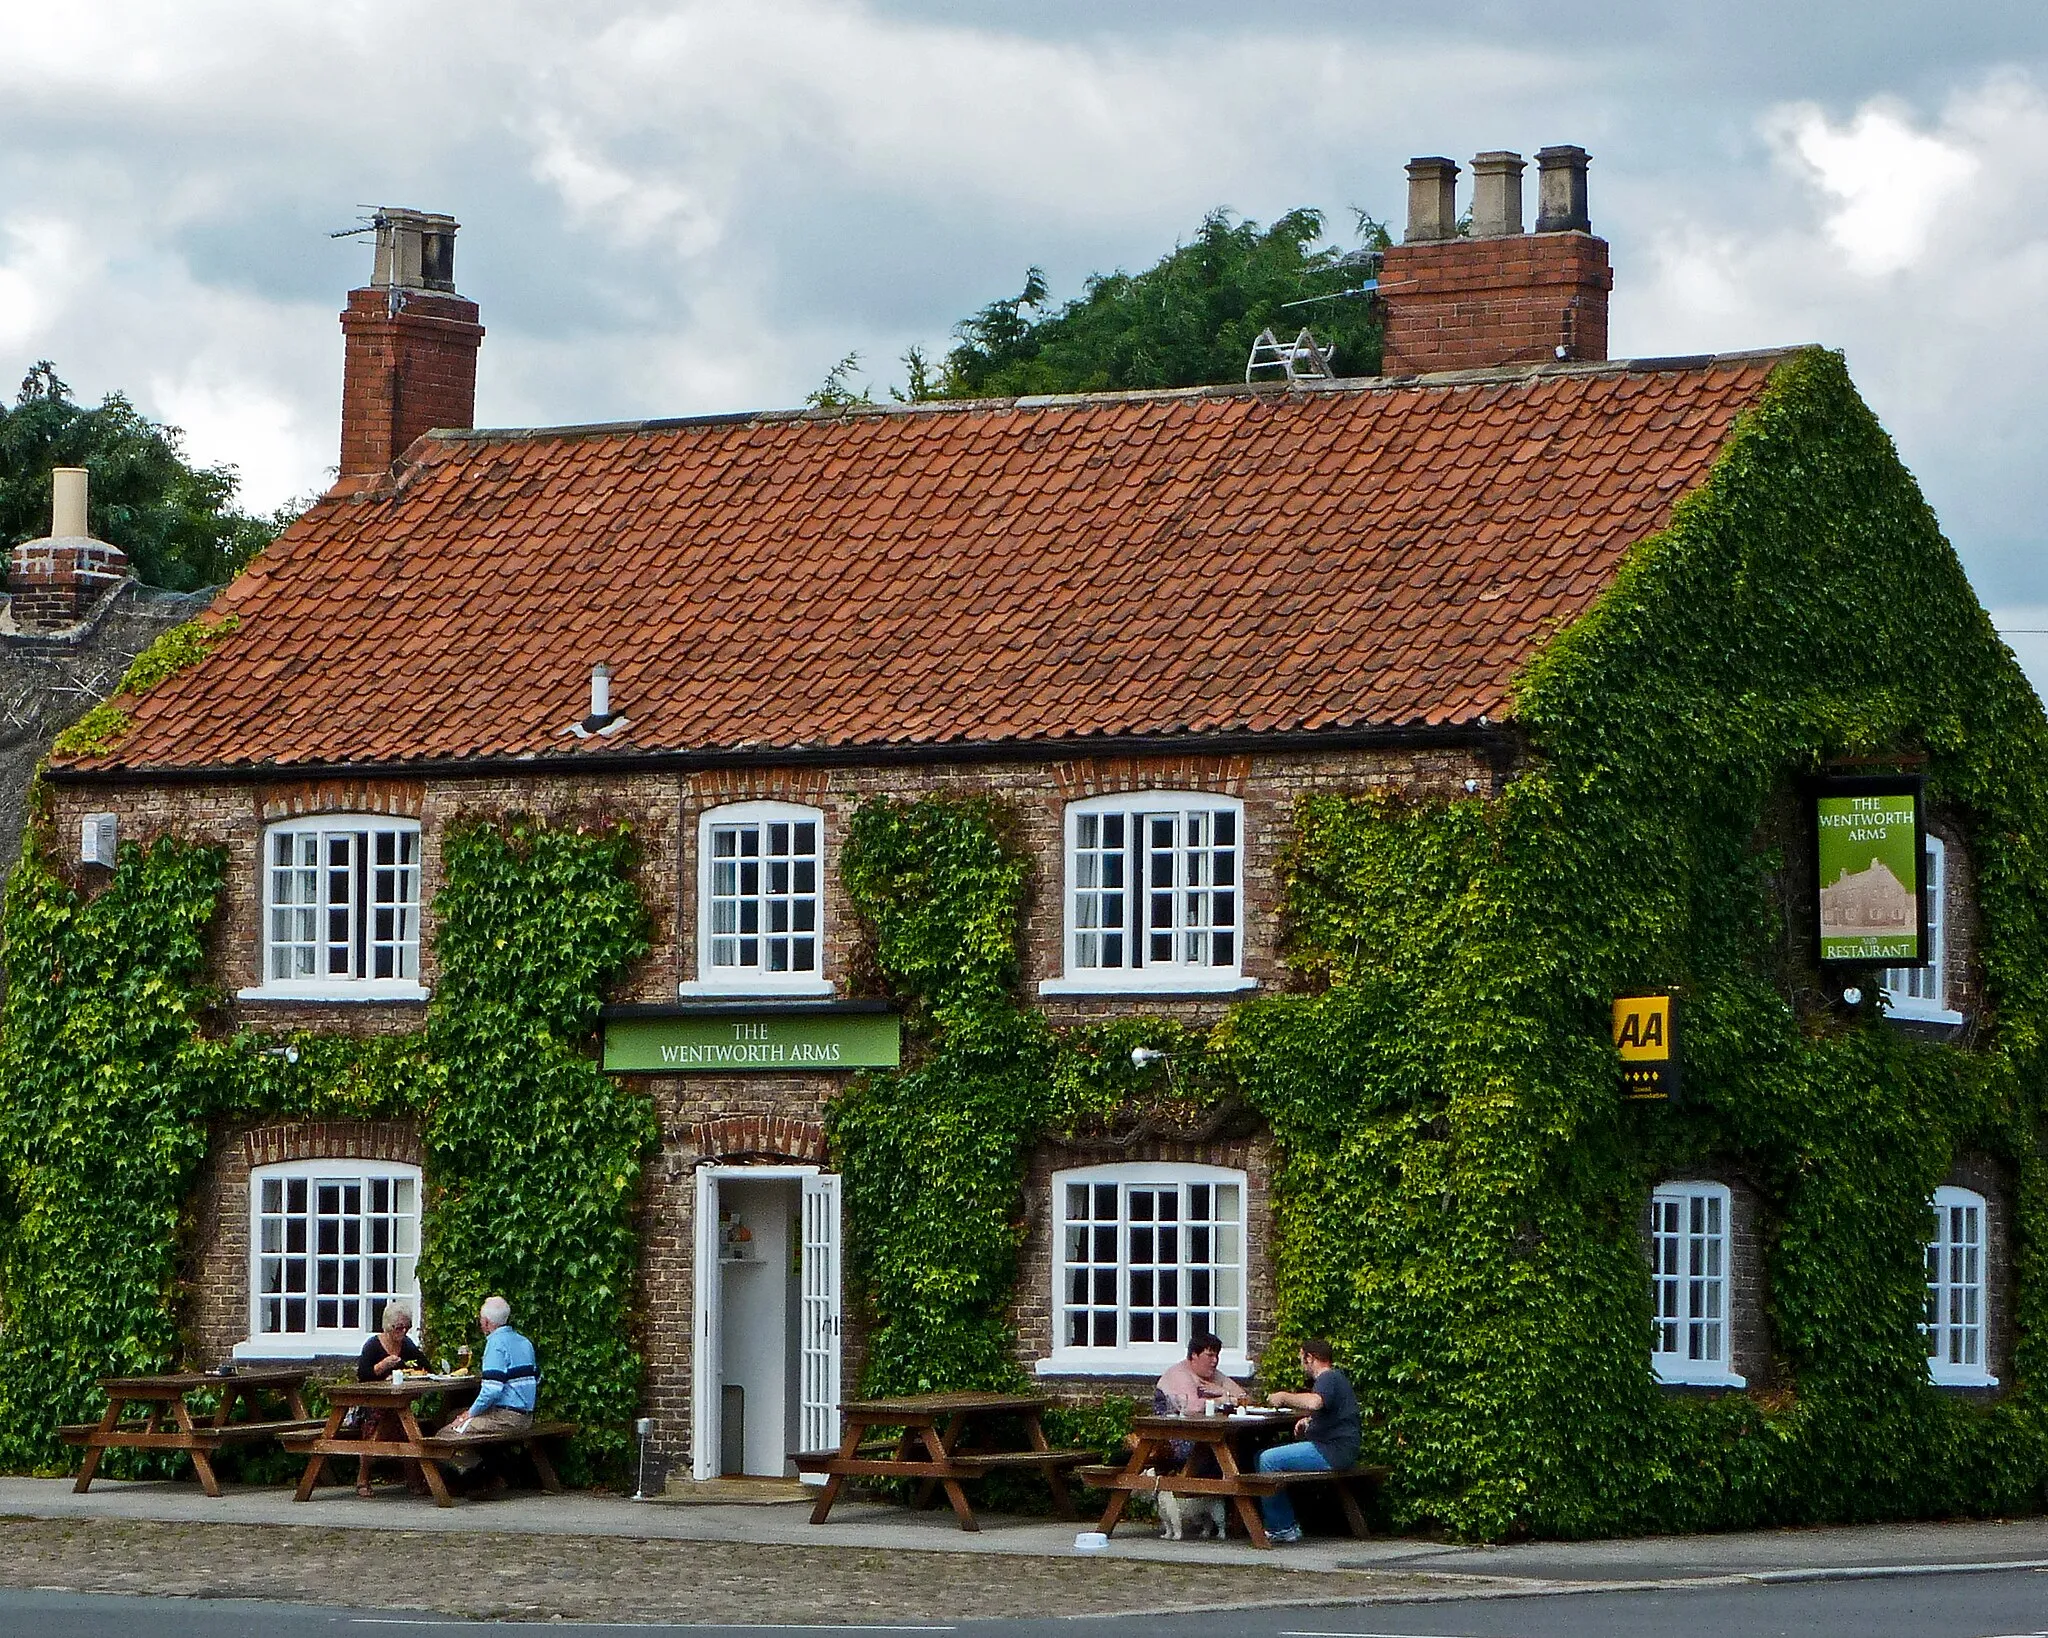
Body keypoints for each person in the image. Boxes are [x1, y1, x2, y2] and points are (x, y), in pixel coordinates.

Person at [1254, 1338, 1360, 1544]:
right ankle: (1282, 1523)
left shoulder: (1327, 1378)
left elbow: (1316, 1402)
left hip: (1333, 1451)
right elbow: (1335, 1412)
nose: (1301, 1364)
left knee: (1268, 1459)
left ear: (1310, 1358)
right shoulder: (1337, 1378)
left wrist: (1284, 1396)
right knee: (1260, 1457)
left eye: (1302, 1358)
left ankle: (1282, 1527)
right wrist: (1309, 1420)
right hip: (1339, 1449)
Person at [1152, 1330, 1248, 1538]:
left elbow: (1242, 1396)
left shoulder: (1211, 1376)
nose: (1214, 1361)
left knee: (1245, 1447)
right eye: (1209, 1356)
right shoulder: (1180, 1374)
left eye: (1217, 1356)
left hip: (1204, 1436)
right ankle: (1240, 1518)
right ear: (1194, 1355)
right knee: (1222, 1453)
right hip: (1175, 1439)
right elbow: (1191, 1407)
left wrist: (1221, 1391)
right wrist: (1222, 1398)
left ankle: (1242, 1520)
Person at [439, 1295, 539, 1481]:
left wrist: (471, 1413)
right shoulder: (524, 1342)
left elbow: (492, 1390)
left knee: (444, 1435)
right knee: (453, 1416)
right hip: (526, 1415)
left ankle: (485, 1475)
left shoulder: (495, 1344)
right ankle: (483, 1472)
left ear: (486, 1322)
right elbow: (536, 1377)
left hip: (507, 1417)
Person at [352, 1302, 426, 1498]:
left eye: (406, 1327)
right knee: (383, 1421)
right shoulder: (373, 1345)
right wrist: (382, 1366)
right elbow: (363, 1376)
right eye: (398, 1328)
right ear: (387, 1326)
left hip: (399, 1402)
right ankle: (363, 1478)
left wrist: (411, 1372)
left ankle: (414, 1478)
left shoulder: (407, 1345)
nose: (402, 1332)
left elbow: (425, 1366)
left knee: (406, 1422)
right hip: (372, 1403)